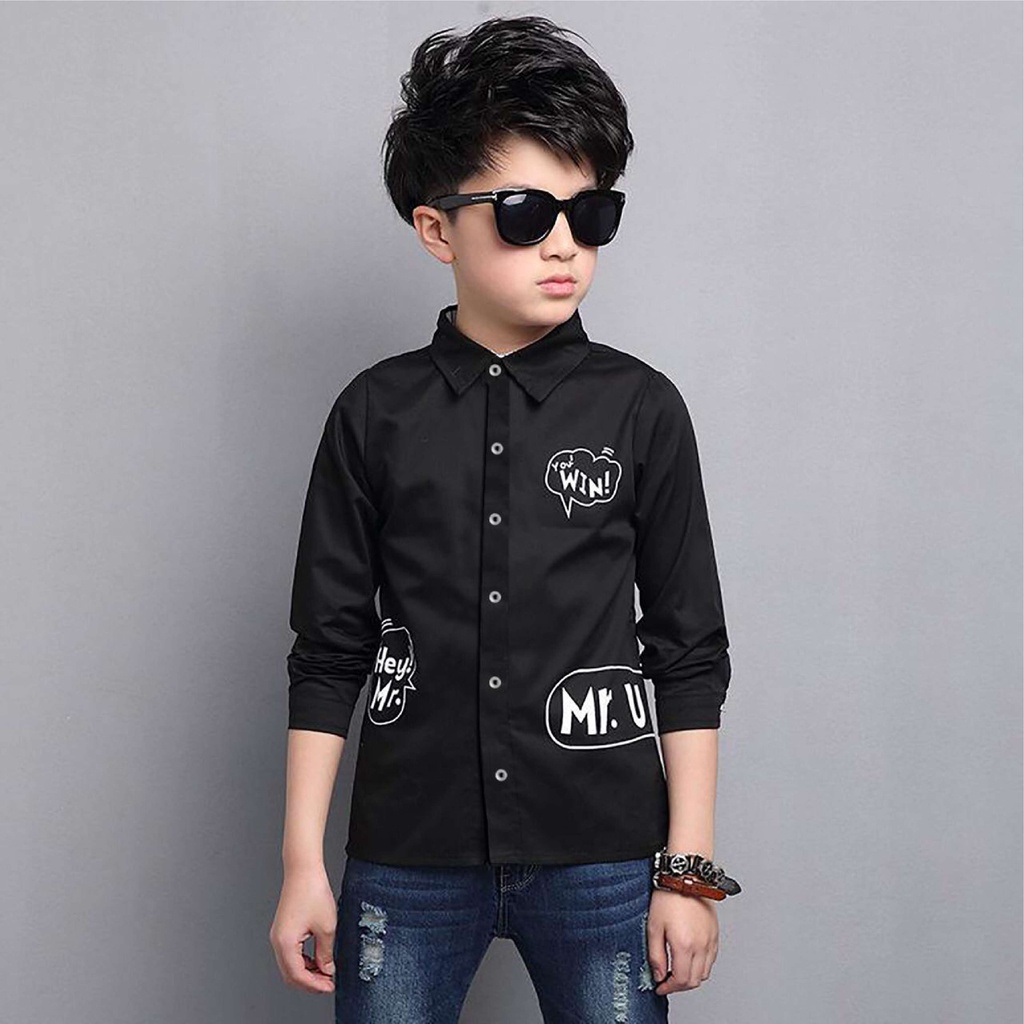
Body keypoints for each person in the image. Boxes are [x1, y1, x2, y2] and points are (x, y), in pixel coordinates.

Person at [270, 15, 734, 1023]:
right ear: (437, 229)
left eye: (590, 213)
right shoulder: (374, 412)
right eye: (525, 212)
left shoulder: (642, 408)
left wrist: (687, 871)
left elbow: (689, 648)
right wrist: (304, 864)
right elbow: (331, 649)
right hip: (408, 856)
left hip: (605, 856)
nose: (563, 243)